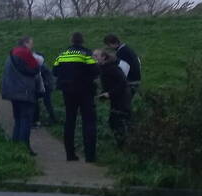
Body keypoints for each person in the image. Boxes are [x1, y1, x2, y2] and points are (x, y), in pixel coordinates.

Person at [53, 32, 100, 162]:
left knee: (69, 122)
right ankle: (90, 156)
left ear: (71, 41)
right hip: (85, 92)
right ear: (82, 41)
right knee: (88, 122)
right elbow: (95, 71)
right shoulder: (86, 54)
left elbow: (55, 71)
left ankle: (70, 154)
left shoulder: (62, 55)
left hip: (67, 93)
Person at [1, 35, 39, 155]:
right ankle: (24, 148)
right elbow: (36, 68)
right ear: (26, 43)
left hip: (12, 91)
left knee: (18, 119)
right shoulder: (25, 53)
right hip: (24, 91)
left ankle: (15, 146)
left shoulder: (12, 53)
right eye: (31, 43)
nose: (32, 45)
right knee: (26, 120)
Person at [94, 47, 132, 148]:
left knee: (117, 121)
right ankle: (124, 143)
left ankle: (124, 145)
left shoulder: (111, 68)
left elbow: (123, 83)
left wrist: (109, 94)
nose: (93, 58)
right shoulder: (104, 67)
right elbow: (109, 84)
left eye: (96, 56)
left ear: (104, 57)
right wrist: (103, 94)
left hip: (122, 97)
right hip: (117, 97)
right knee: (117, 121)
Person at [33, 51, 58, 126]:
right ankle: (52, 118)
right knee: (46, 102)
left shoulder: (41, 67)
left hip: (46, 87)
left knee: (41, 102)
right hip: (46, 86)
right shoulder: (42, 66)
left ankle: (37, 119)